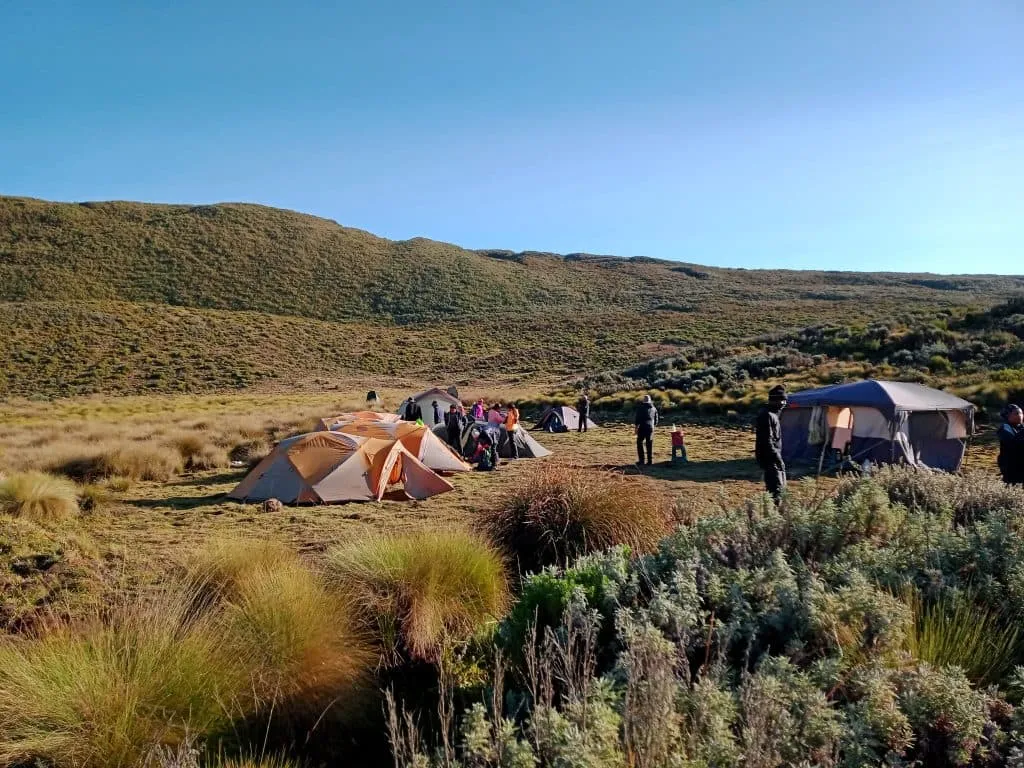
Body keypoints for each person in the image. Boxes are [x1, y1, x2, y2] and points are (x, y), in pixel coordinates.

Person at [755, 385, 788, 503]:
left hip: (773, 457)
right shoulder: (766, 415)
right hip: (770, 458)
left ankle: (779, 511)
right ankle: (774, 515)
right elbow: (766, 439)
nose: (783, 403)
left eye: (785, 400)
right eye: (781, 400)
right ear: (773, 400)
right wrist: (776, 457)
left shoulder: (774, 415)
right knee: (776, 489)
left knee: (781, 487)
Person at [997, 404, 1024, 485]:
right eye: (1016, 413)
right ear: (1007, 416)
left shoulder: (1021, 427)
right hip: (1011, 466)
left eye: (1021, 413)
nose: (1020, 416)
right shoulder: (1005, 428)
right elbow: (1013, 442)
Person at [633, 394, 659, 466]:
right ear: (650, 400)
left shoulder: (640, 408)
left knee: (639, 443)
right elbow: (656, 420)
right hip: (650, 428)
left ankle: (641, 461)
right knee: (649, 444)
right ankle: (649, 461)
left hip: (642, 427)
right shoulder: (654, 408)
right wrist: (653, 426)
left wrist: (636, 428)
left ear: (643, 401)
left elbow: (638, 419)